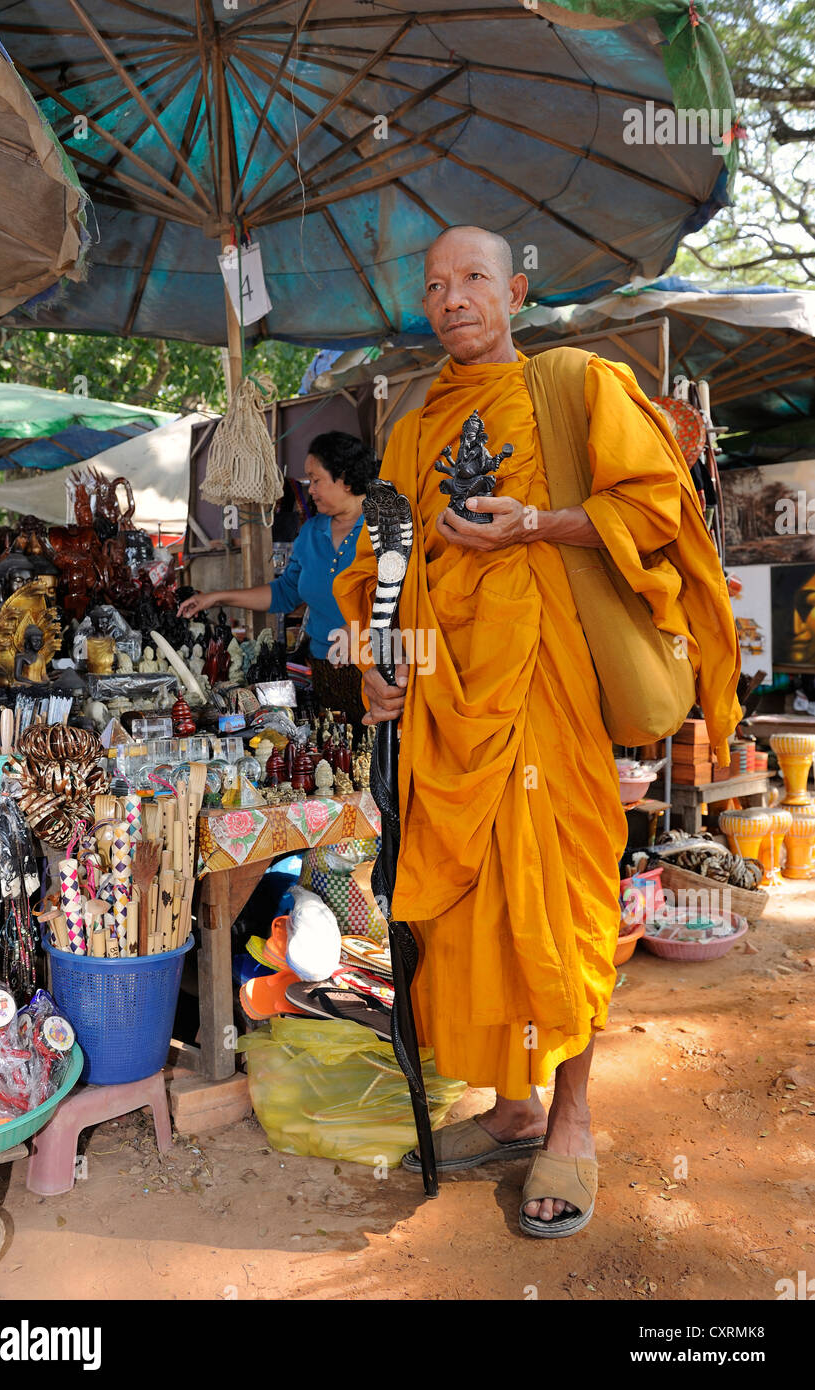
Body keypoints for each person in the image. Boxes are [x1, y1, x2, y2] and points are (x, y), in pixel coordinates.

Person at [334, 225, 741, 1237]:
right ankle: (512, 1106)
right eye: (434, 285)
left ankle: (570, 1121)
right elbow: (385, 565)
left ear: (515, 290)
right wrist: (381, 666)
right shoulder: (411, 424)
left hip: (544, 696)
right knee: (470, 913)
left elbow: (653, 506)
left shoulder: (574, 384)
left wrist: (536, 524)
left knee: (555, 897)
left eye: (473, 278)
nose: (453, 298)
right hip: (446, 708)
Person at [178, 432, 379, 726]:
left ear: (345, 479)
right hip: (325, 674)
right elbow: (285, 593)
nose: (310, 489)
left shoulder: (384, 529)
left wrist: (358, 629)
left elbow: (407, 601)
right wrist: (215, 597)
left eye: (316, 480)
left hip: (379, 676)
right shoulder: (311, 532)